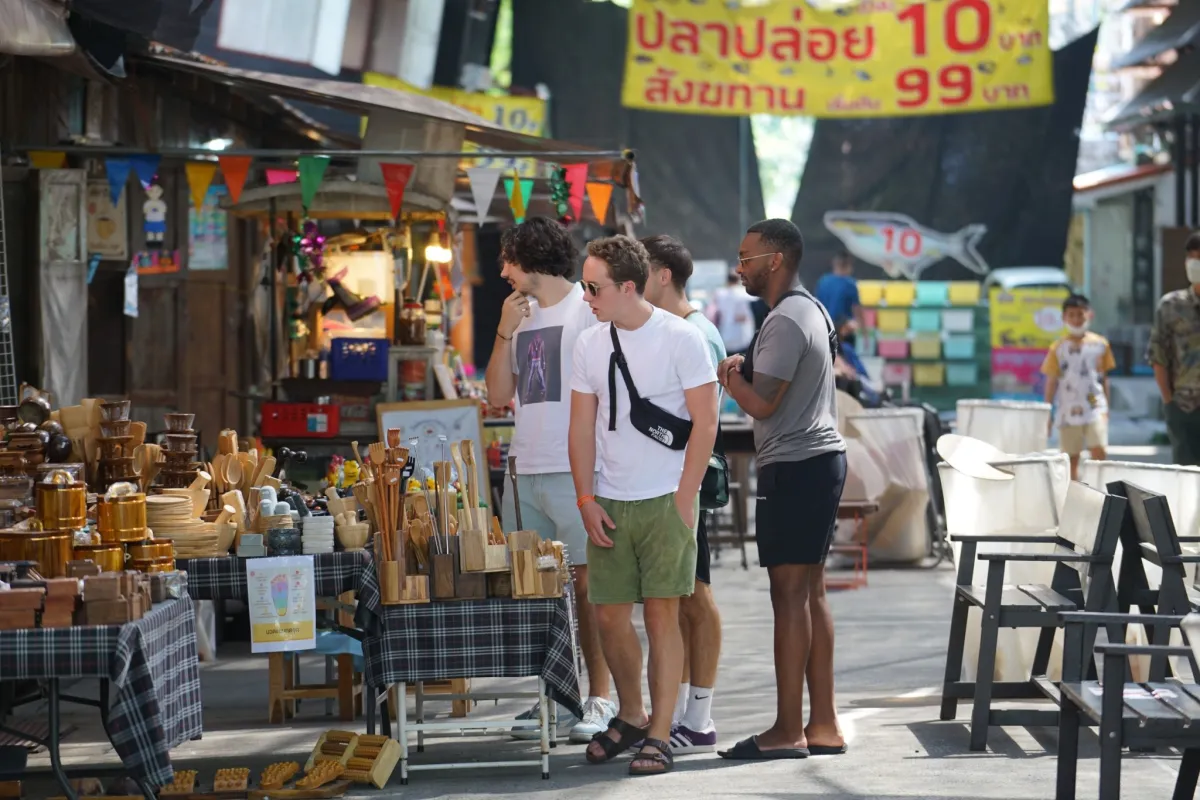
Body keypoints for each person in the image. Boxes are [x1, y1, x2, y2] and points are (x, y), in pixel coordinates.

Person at [569, 235, 719, 776]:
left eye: (593, 286)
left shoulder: (681, 338)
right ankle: (631, 714)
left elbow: (706, 420)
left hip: (666, 498)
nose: (585, 295)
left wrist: (685, 495)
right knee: (609, 616)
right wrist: (584, 496)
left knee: (663, 617)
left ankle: (660, 730)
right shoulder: (589, 342)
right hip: (609, 497)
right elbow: (581, 424)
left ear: (627, 287)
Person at [715, 218, 848, 760]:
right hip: (816, 462)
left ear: (775, 260)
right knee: (810, 596)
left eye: (746, 257)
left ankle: (787, 729)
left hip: (795, 466)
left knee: (789, 598)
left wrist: (730, 378)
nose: (738, 266)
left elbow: (763, 402)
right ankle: (823, 725)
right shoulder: (810, 308)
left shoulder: (788, 319)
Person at [483, 217, 616, 742]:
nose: (502, 272)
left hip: (576, 469)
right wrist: (502, 331)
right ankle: (558, 697)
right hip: (525, 468)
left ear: (529, 256)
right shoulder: (522, 315)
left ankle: (601, 698)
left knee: (590, 587)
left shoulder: (585, 312)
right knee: (539, 593)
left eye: (507, 260)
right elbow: (498, 395)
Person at [640, 234, 726, 754]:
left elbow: (705, 421)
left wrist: (685, 488)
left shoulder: (697, 333)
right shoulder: (678, 328)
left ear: (663, 274)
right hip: (667, 483)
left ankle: (699, 716)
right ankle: (684, 714)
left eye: (640, 271)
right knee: (684, 599)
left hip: (682, 485)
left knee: (697, 596)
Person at [1040, 294, 1116, 480]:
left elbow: (1104, 377)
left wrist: (1107, 407)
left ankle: (1100, 491)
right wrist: (1047, 413)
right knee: (1070, 457)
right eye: (1071, 315)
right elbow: (1051, 382)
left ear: (1088, 315)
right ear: (1064, 317)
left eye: (1080, 314)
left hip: (1094, 405)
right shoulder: (1057, 348)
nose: (1076, 319)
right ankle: (1074, 493)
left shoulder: (1100, 344)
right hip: (1067, 409)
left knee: (1099, 450)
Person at [1148, 232, 1200, 466]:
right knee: (1187, 480)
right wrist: (1169, 401)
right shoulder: (1171, 306)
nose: (1195, 264)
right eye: (1191, 258)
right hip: (1184, 406)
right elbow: (1159, 356)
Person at [705, 272, 756, 355]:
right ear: (738, 280)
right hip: (742, 337)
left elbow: (711, 312)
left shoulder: (719, 294)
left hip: (725, 335)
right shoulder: (743, 293)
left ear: (727, 281)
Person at [814, 250, 865, 332]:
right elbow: (857, 310)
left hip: (824, 328)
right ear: (848, 265)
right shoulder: (850, 284)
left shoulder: (823, 281)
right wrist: (864, 331)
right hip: (843, 330)